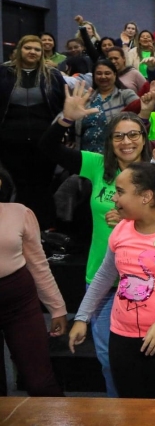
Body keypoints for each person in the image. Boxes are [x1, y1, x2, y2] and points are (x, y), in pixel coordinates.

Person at [40, 83, 155, 396]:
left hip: (146, 281)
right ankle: (119, 412)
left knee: (146, 358)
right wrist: (65, 119)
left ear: (144, 138)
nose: (126, 142)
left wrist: (131, 218)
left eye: (133, 135)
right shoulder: (96, 164)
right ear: (110, 142)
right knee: (108, 360)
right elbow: (47, 148)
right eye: (118, 136)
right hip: (101, 279)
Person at [69, 163, 155, 399]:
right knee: (129, 406)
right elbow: (104, 275)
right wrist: (82, 317)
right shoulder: (121, 230)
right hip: (121, 337)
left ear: (146, 197)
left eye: (120, 192)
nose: (114, 198)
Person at [0, 162, 67, 396]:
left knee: (40, 381)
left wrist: (57, 308)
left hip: (20, 302)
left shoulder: (20, 213)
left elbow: (38, 265)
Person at [0, 35, 66, 227]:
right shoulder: (4, 72)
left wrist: (63, 131)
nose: (32, 52)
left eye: (37, 49)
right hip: (10, 140)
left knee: (43, 185)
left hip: (45, 140)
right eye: (28, 48)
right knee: (17, 185)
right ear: (19, 50)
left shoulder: (53, 75)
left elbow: (63, 104)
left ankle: (45, 228)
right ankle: (17, 229)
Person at [76, 59, 139, 153]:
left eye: (107, 73)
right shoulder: (86, 98)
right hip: (86, 154)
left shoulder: (125, 95)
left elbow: (140, 109)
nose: (103, 76)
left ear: (115, 75)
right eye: (99, 73)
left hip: (115, 154)